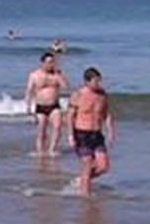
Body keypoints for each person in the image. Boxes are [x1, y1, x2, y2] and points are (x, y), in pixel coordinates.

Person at [69, 67, 116, 196]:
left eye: (100, 81)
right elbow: (70, 116)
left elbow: (107, 114)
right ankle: (86, 197)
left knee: (104, 167)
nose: (99, 84)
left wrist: (111, 131)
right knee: (88, 164)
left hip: (97, 134)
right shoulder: (78, 95)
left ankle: (83, 180)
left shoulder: (102, 95)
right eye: (96, 81)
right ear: (87, 82)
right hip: (82, 134)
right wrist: (70, 136)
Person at [24, 51, 70, 156]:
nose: (51, 64)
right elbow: (29, 91)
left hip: (54, 106)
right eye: (49, 62)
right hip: (41, 106)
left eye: (53, 62)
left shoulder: (56, 75)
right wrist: (28, 106)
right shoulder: (34, 75)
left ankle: (52, 150)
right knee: (42, 130)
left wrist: (60, 74)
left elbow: (66, 87)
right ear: (43, 63)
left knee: (58, 127)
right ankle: (40, 151)